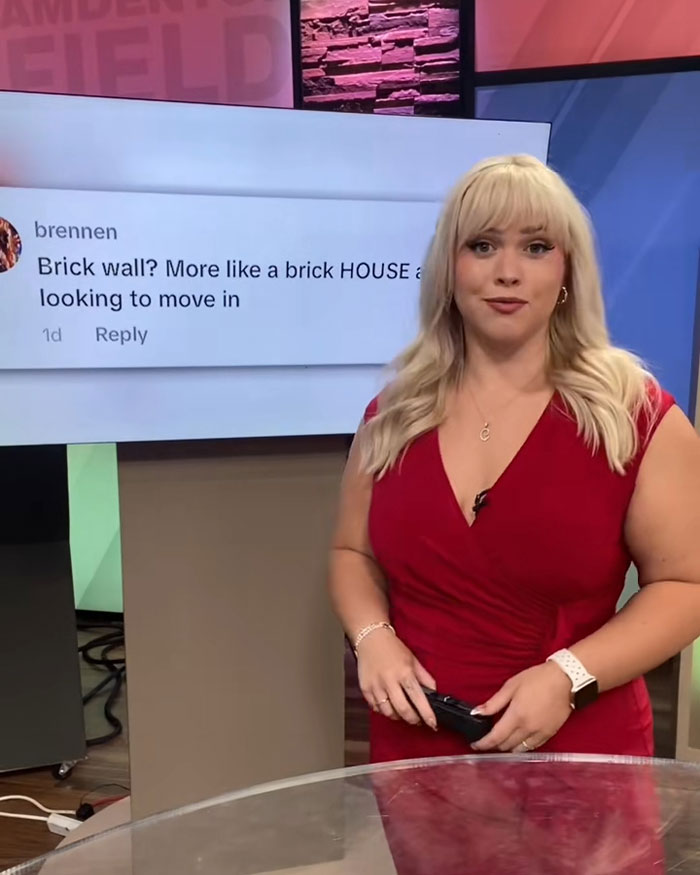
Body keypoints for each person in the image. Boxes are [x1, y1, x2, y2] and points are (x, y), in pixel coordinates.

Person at [328, 154, 700, 762]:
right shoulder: (392, 415)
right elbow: (351, 553)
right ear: (448, 270)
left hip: (577, 741)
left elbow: (687, 585)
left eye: (535, 247)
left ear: (567, 272)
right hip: (419, 740)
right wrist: (373, 638)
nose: (507, 272)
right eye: (481, 245)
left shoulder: (632, 414)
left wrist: (568, 675)